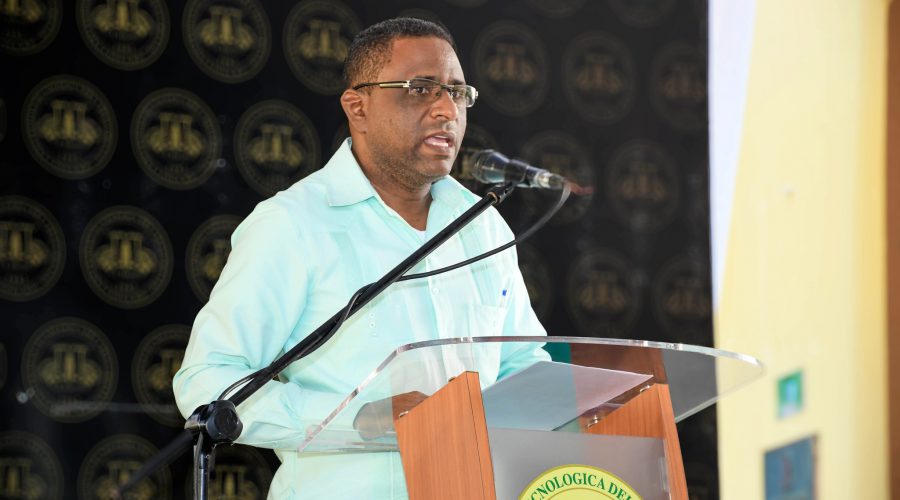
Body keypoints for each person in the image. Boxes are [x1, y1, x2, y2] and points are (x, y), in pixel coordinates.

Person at [173, 17, 549, 499]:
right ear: (358, 107)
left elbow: (523, 364)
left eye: (457, 92)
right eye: (420, 89)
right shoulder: (294, 224)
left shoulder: (482, 225)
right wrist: (358, 420)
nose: (446, 110)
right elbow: (207, 381)